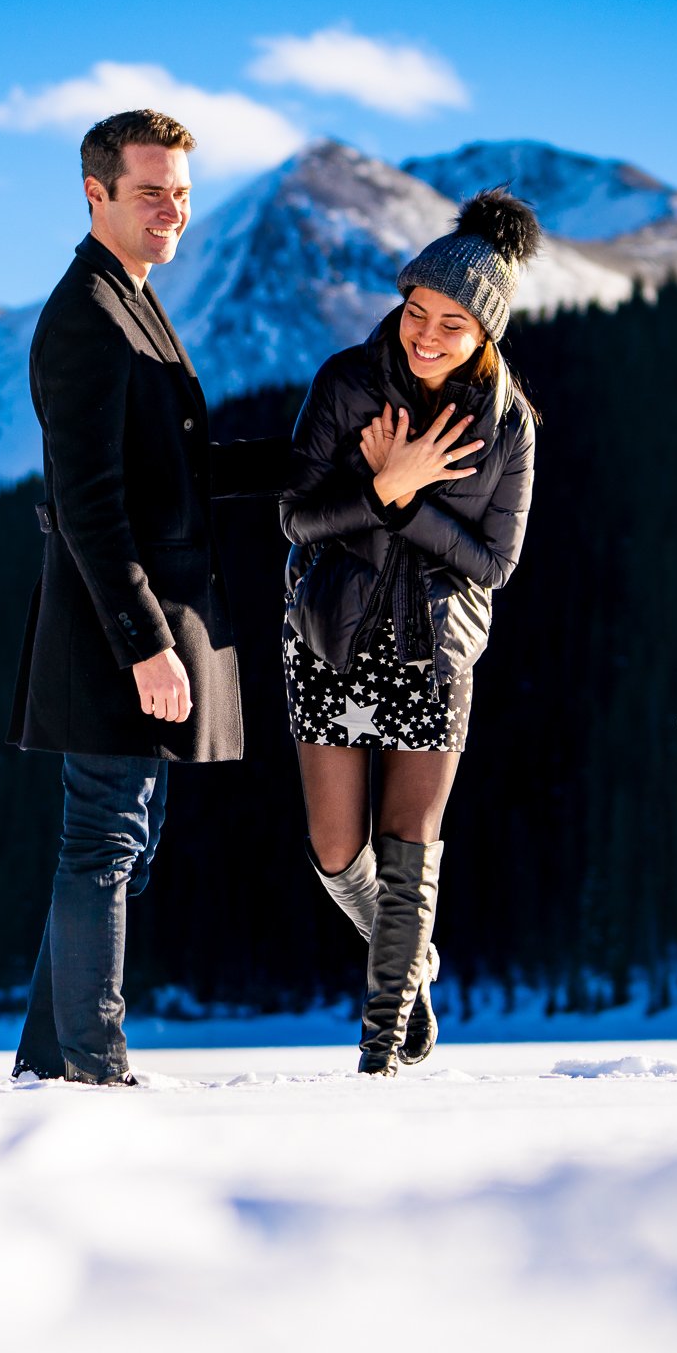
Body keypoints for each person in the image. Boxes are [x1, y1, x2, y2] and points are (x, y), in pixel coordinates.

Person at [6, 109, 289, 1084]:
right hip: (109, 627)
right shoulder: (85, 313)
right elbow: (87, 502)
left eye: (181, 193)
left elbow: (179, 470)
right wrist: (144, 642)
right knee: (106, 835)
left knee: (125, 837)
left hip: (137, 621)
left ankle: (53, 1058)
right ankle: (92, 1062)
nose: (172, 211)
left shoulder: (130, 295)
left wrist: (314, 460)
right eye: (150, 193)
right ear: (96, 194)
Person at [278, 189, 542, 1075]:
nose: (425, 335)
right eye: (417, 312)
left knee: (409, 850)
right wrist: (381, 488)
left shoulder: (509, 425)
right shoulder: (346, 383)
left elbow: (494, 563)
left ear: (485, 336)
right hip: (331, 636)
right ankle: (414, 964)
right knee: (334, 848)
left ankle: (382, 1051)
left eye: (452, 324)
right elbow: (297, 518)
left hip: (436, 649)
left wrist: (406, 493)